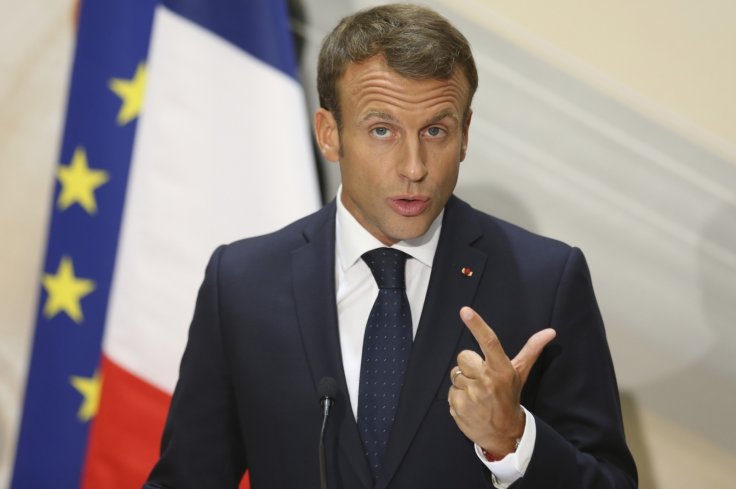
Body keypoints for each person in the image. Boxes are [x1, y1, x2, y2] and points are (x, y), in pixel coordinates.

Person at [143, 4, 637, 488]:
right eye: (382, 130)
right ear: (329, 134)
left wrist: (513, 441)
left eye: (436, 131)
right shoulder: (242, 283)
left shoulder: (545, 281)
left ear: (464, 136)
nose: (414, 167)